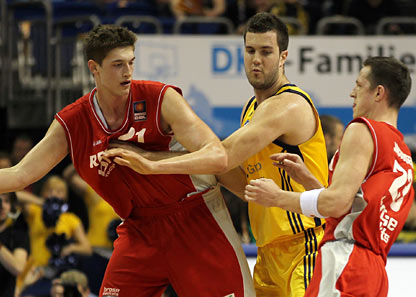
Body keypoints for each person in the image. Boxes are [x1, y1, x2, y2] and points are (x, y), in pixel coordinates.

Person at [0, 24, 253, 297]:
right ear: (94, 68)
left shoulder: (159, 98)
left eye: (131, 62)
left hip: (195, 216)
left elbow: (217, 155)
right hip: (141, 230)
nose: (127, 72)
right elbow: (22, 174)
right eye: (117, 64)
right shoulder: (74, 121)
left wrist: (151, 163)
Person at [105, 12, 329, 297]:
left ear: (283, 56)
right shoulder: (252, 107)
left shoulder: (287, 105)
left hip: (303, 246)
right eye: (250, 51)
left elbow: (221, 155)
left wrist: (149, 161)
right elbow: (234, 179)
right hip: (268, 251)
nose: (256, 59)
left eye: (266, 52)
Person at [244, 56, 414, 296]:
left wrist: (276, 197)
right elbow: (351, 207)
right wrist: (308, 180)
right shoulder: (402, 153)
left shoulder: (363, 129)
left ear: (378, 93)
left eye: (358, 85)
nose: (352, 93)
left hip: (346, 261)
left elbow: (335, 204)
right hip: (374, 270)